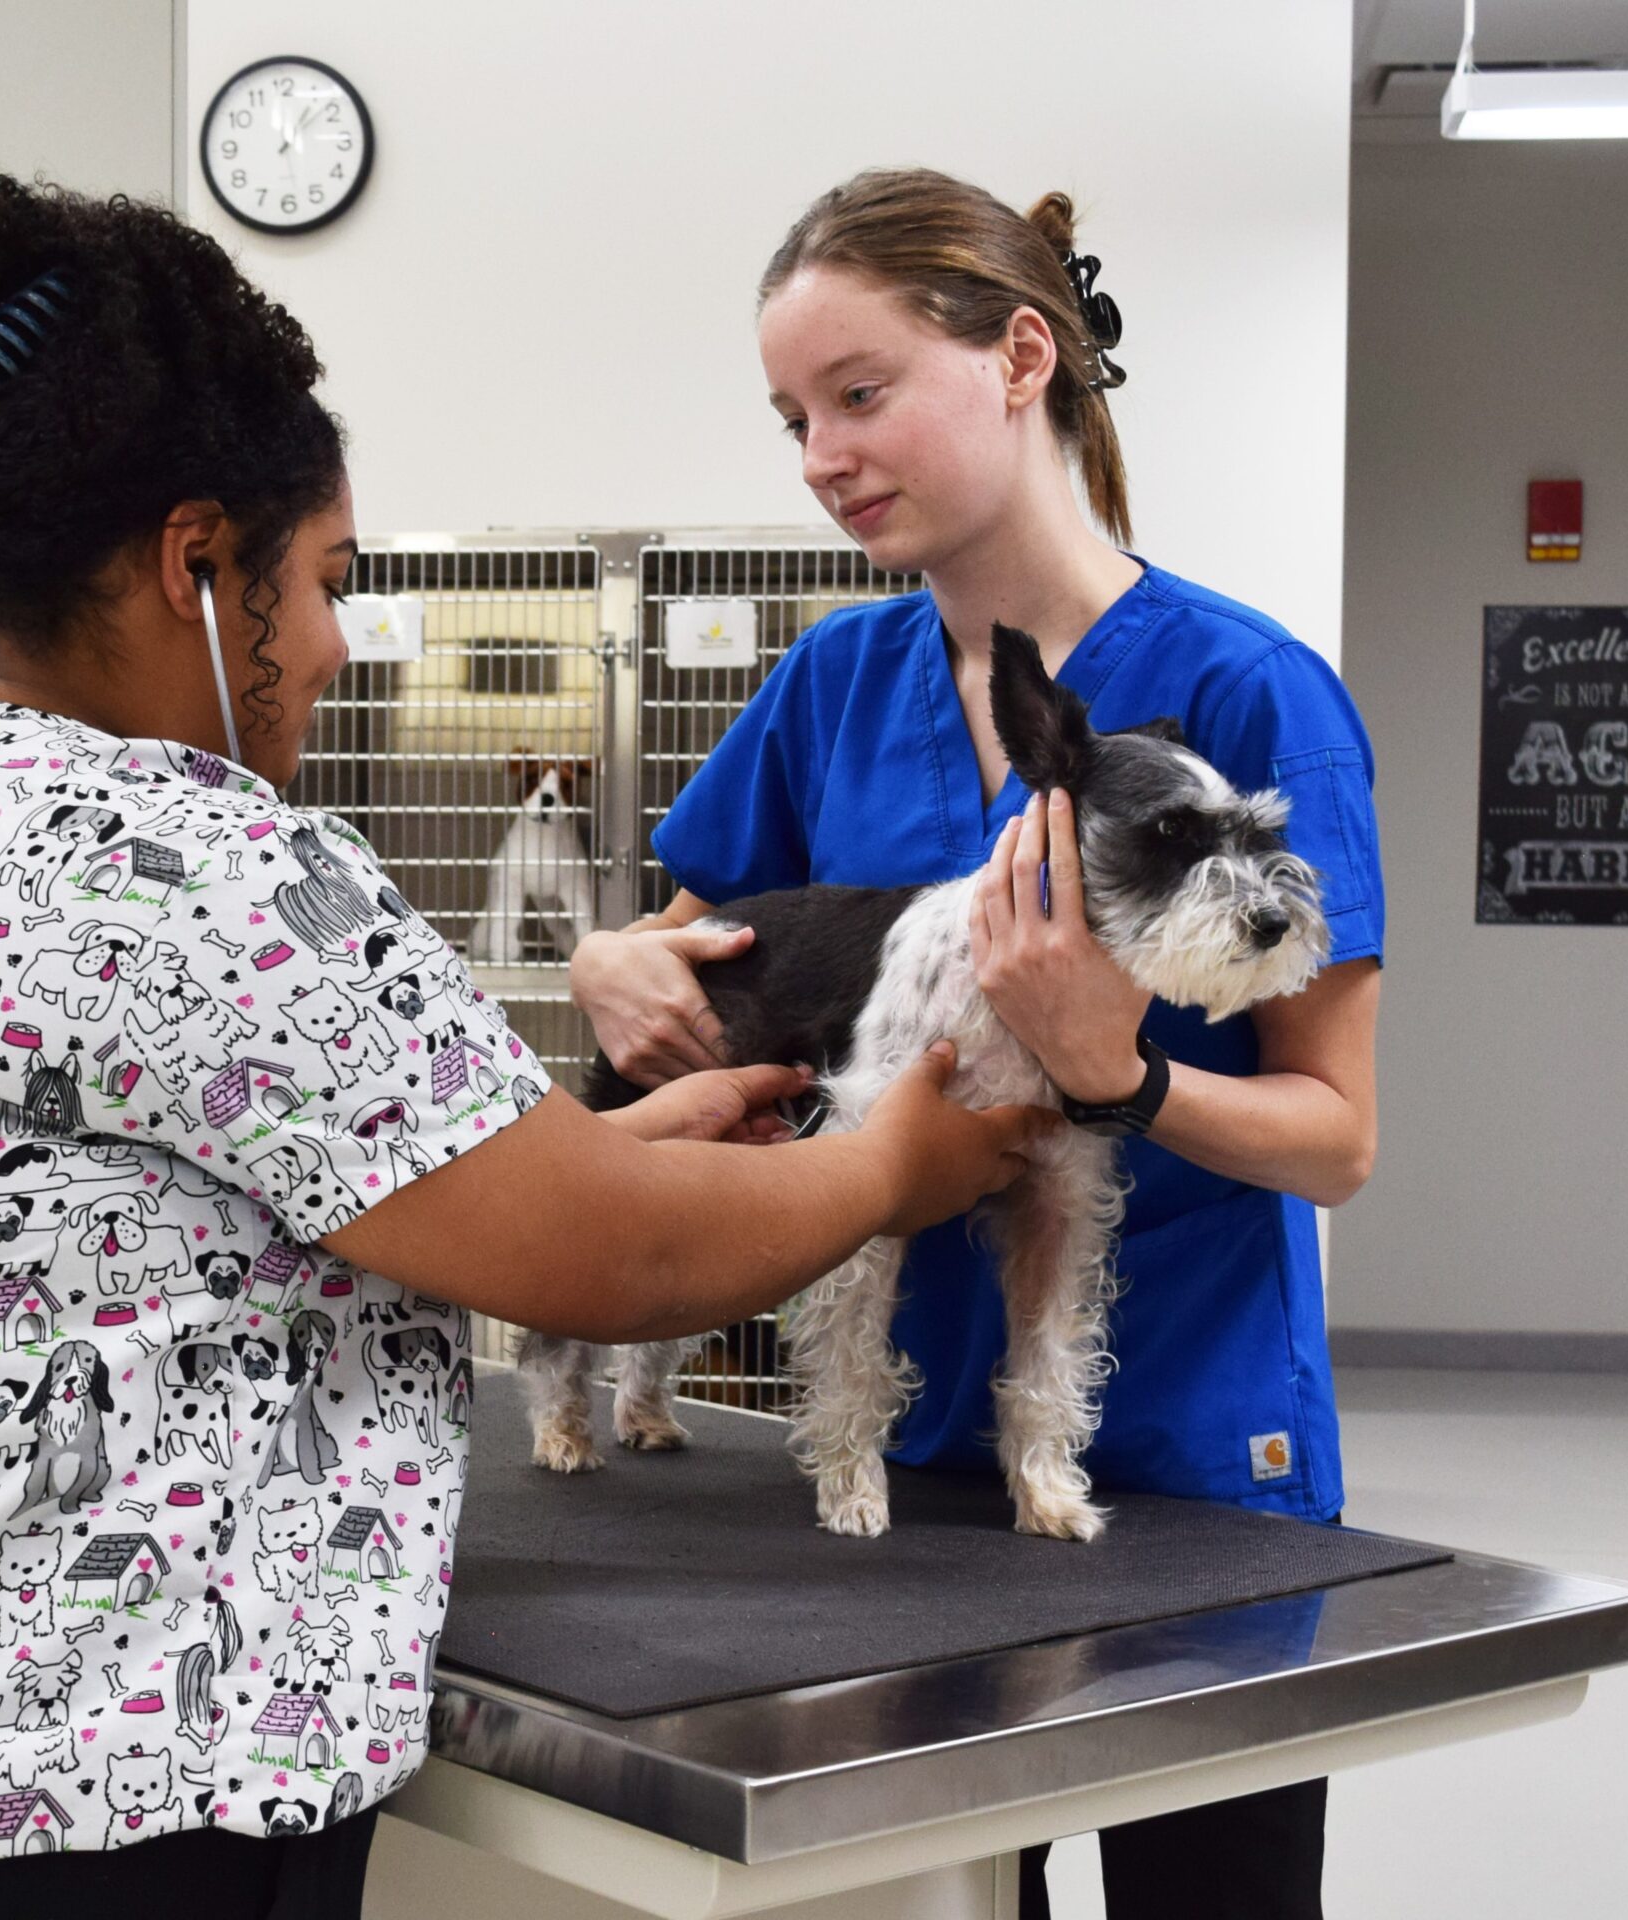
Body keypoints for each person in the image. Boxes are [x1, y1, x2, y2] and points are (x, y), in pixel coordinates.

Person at [0, 172, 1057, 1920]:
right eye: (330, 579)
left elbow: (252, 1201)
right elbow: (608, 1256)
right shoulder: (197, 859)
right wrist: (891, 1163)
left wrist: (633, 1143)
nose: (342, 646)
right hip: (50, 1829)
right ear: (199, 562)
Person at [569, 169, 1386, 1920]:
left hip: (1176, 1456)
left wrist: (1127, 1077)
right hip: (896, 1475)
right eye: (795, 418)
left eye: (860, 396)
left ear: (1024, 357)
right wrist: (603, 962)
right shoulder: (833, 682)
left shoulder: (1250, 695)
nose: (821, 455)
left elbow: (1337, 1139)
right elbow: (698, 941)